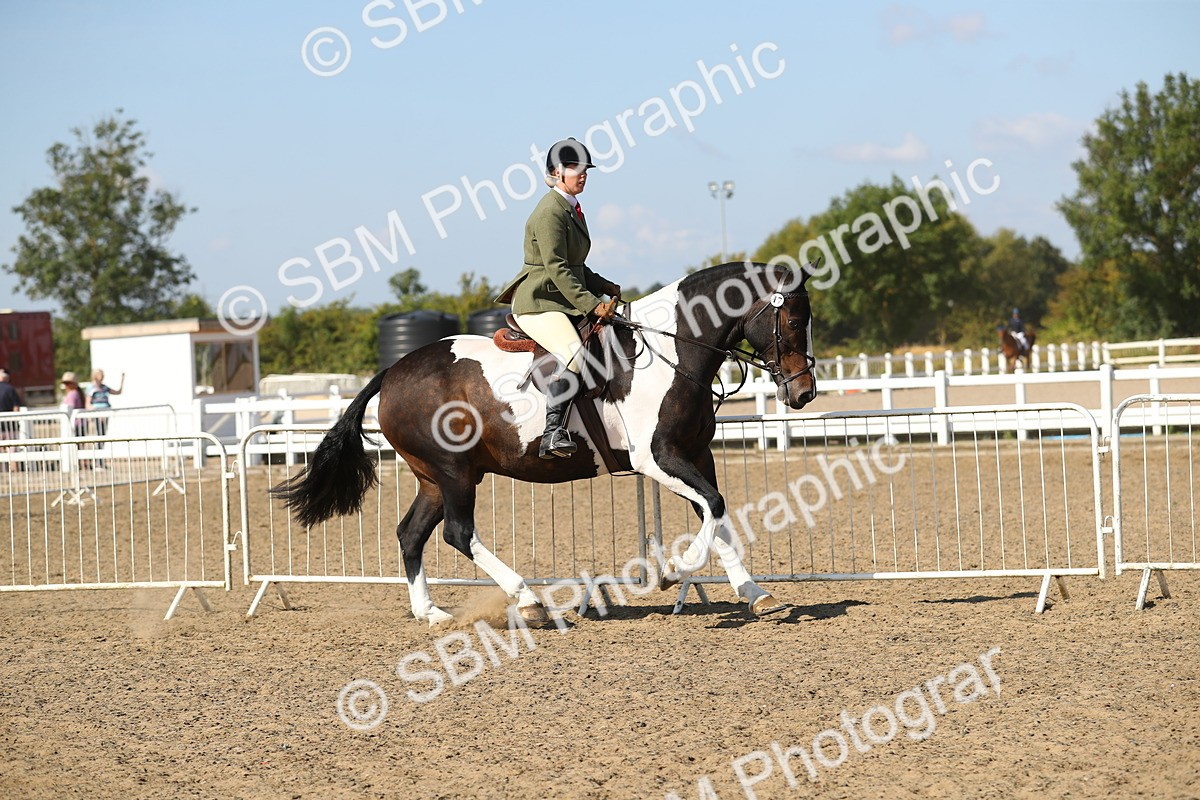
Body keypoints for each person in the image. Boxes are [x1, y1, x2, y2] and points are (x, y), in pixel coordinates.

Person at [495, 137, 621, 459]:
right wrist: (593, 305)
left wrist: (606, 286)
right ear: (555, 172)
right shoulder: (550, 212)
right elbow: (557, 268)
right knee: (575, 355)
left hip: (560, 298)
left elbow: (576, 266)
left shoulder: (571, 209)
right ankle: (554, 432)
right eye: (576, 168)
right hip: (539, 302)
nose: (583, 174)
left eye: (585, 169)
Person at [86, 369, 124, 436]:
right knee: (99, 431)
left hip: (106, 411)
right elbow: (88, 403)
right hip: (97, 412)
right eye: (100, 374)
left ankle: (101, 445)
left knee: (103, 431)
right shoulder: (92, 387)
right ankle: (99, 445)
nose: (102, 376)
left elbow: (118, 392)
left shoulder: (104, 387)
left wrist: (122, 380)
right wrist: (95, 411)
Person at [0, 368, 21, 472]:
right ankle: (13, 470)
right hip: (10, 425)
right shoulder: (11, 389)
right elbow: (16, 407)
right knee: (11, 449)